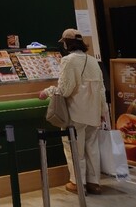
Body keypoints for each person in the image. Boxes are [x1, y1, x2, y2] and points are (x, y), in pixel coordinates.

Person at [39, 28, 109, 195]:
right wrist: (103, 111)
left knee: (74, 149)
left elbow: (65, 90)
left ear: (66, 43)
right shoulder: (92, 61)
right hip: (93, 113)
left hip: (76, 113)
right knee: (92, 148)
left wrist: (47, 91)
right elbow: (101, 89)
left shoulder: (68, 61)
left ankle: (78, 183)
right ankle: (94, 183)